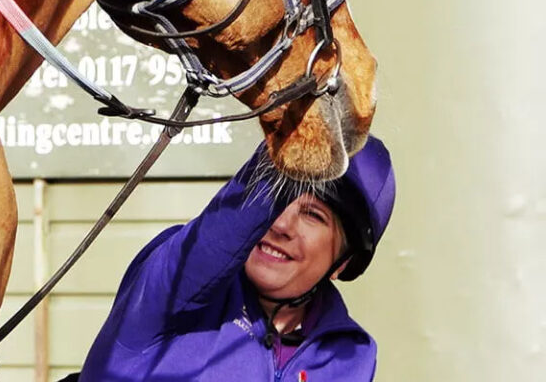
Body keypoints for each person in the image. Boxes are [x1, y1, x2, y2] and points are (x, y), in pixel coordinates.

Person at [79, 135, 396, 381]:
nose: (280, 224)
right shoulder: (172, 291)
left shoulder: (353, 357)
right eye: (275, 200)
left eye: (313, 215)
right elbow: (217, 239)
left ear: (343, 263)